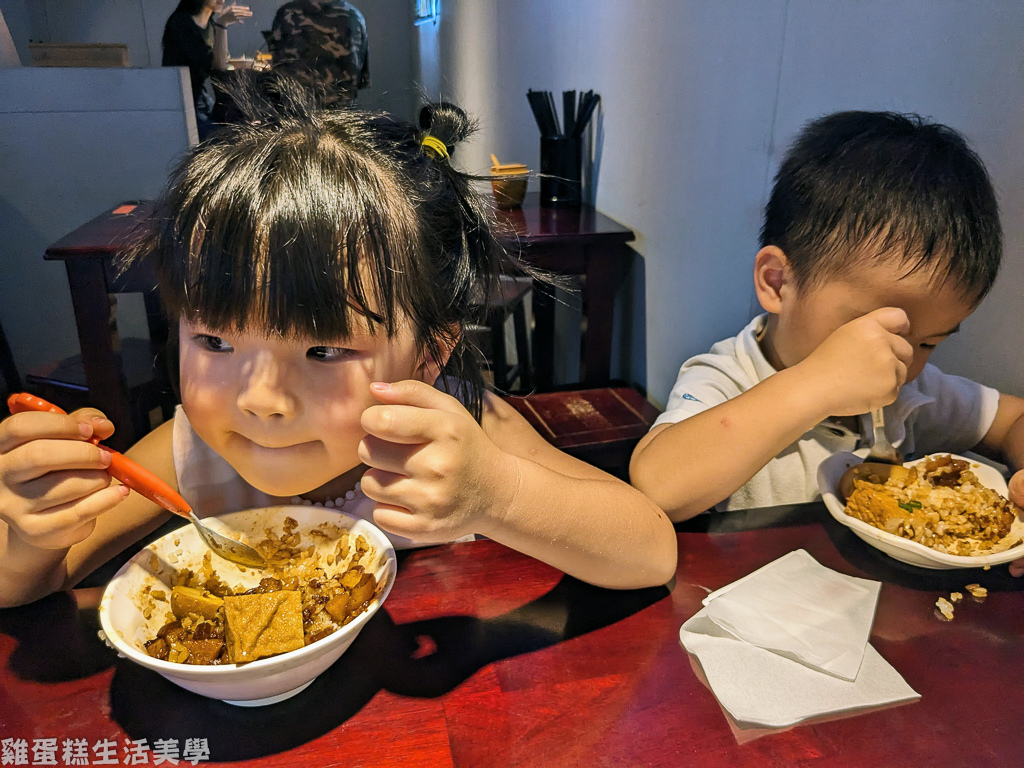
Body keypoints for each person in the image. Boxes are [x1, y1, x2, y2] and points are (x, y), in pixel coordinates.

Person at [0, 75, 677, 608]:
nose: (260, 400)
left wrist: (495, 494)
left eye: (323, 351)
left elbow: (650, 553)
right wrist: (31, 535)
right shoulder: (193, 453)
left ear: (431, 355)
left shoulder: (461, 433)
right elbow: (26, 588)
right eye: (213, 340)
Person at [630, 110, 1024, 535]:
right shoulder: (727, 377)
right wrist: (815, 385)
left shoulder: (909, 392)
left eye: (928, 343)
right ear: (778, 283)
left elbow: (1011, 420)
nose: (900, 360)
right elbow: (658, 487)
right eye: (870, 331)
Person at [162, 0, 252, 139]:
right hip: (184, 101)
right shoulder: (182, 22)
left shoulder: (209, 23)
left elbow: (221, 59)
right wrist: (222, 25)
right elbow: (218, 65)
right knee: (224, 139)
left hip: (203, 99)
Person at [268, 0, 369, 108]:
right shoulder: (355, 16)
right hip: (341, 116)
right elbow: (362, 78)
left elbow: (276, 65)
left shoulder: (287, 12)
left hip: (293, 111)